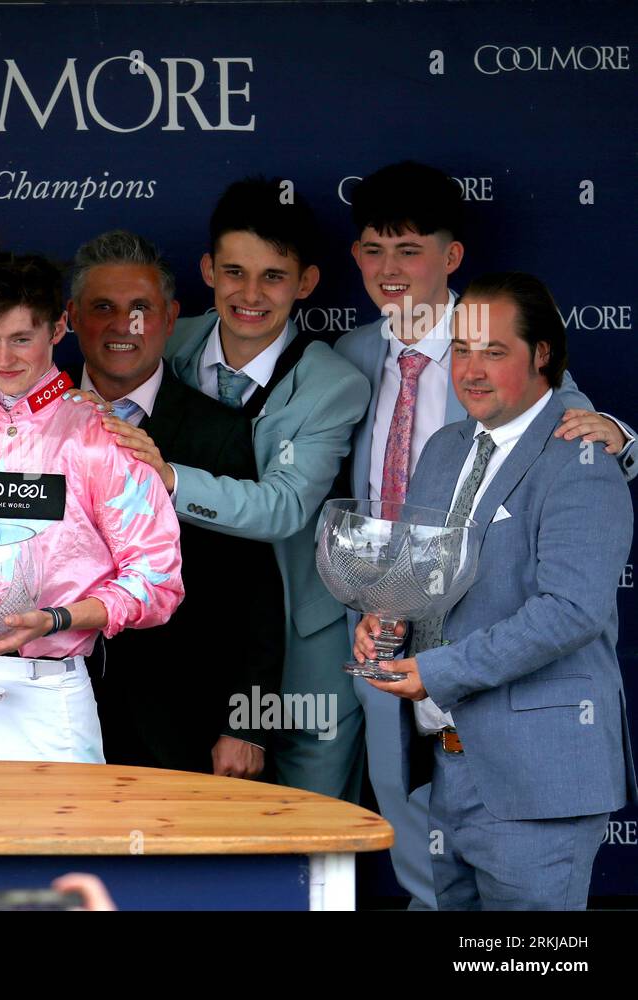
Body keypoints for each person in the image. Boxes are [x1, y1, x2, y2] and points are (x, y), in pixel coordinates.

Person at [335, 161, 638, 908]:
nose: (470, 369)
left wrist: (623, 440)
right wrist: (387, 615)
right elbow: (418, 565)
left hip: (533, 757)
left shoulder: (567, 434)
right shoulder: (424, 426)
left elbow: (571, 603)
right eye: (461, 352)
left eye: (491, 352)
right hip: (448, 750)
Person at [0, 241, 184, 763]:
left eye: (22, 338)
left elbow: (158, 582)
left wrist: (54, 619)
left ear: (58, 329)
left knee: (50, 848)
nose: (4, 359)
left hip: (46, 694)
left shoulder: (102, 437)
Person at [147, 178, 370, 800]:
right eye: (235, 272)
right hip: (186, 634)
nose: (250, 295)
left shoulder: (335, 384)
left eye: (273, 276)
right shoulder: (165, 342)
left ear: (306, 283)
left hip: (301, 649)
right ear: (207, 270)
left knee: (315, 835)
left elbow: (285, 507)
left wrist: (164, 477)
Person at [63, 230, 284, 778]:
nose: (122, 325)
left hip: (182, 724)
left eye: (140, 309)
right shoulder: (29, 424)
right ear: (69, 317)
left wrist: (247, 724)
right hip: (54, 715)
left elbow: (253, 592)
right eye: (103, 308)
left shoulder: (221, 433)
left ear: (170, 317)